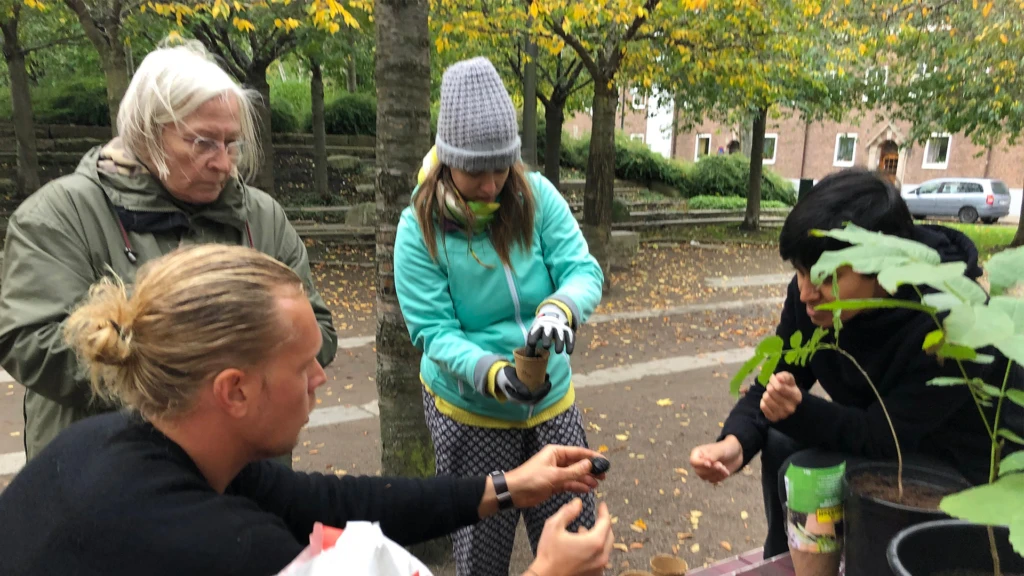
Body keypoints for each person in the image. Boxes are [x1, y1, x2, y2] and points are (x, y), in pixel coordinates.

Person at [0, 244, 614, 576]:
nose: (322, 378)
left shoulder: (121, 440)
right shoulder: (228, 549)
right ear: (234, 390)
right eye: (303, 367)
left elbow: (332, 503)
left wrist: (507, 487)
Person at [0, 39, 337, 461]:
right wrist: (204, 378)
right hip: (110, 474)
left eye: (232, 143)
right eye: (202, 143)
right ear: (144, 133)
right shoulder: (57, 215)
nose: (223, 163)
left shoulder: (261, 216)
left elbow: (318, 330)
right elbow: (31, 342)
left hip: (242, 476)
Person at [688, 168, 1023, 558]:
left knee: (804, 465)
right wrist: (735, 442)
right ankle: (782, 559)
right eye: (799, 270)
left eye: (827, 276)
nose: (807, 291)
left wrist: (797, 410)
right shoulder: (812, 303)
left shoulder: (949, 324)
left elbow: (885, 436)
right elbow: (774, 378)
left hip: (974, 471)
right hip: (892, 441)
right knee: (780, 440)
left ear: (882, 267)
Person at [393, 56, 605, 576]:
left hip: (551, 401)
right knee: (480, 555)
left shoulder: (536, 196)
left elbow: (583, 269)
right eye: (475, 171)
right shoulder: (418, 229)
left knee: (579, 536)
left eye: (500, 167)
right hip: (472, 410)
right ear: (447, 161)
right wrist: (492, 374)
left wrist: (561, 306)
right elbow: (433, 332)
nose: (491, 185)